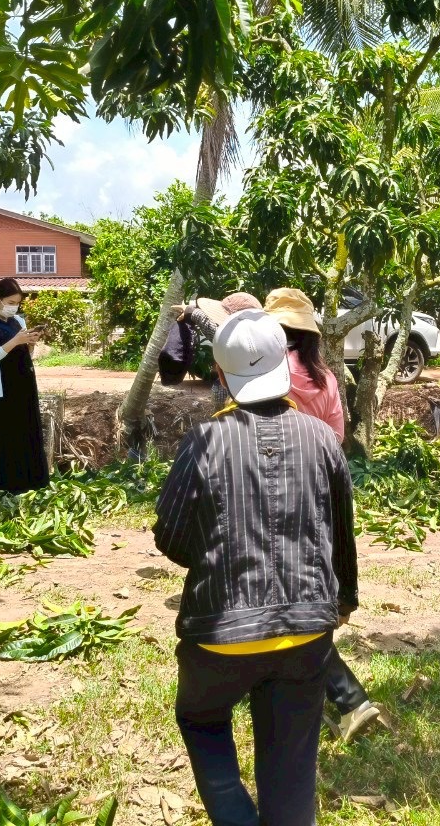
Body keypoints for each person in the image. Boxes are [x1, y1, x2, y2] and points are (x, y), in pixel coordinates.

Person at [154, 309, 358, 826]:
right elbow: (340, 536)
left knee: (201, 719)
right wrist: (342, 602)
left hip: (220, 636)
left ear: (222, 377)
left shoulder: (203, 441)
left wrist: (215, 560)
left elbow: (171, 536)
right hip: (305, 637)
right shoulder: (321, 439)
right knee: (290, 768)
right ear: (285, 366)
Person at [264, 286, 380, 741]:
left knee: (286, 601)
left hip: (281, 492)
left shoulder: (275, 372)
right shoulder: (327, 376)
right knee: (302, 594)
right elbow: (336, 437)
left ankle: (350, 699)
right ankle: (340, 697)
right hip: (325, 490)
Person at [0, 278, 50, 496]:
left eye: (17, 303)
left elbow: (24, 354)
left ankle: (31, 483)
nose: (14, 306)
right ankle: (2, 487)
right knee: (4, 439)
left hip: (23, 385)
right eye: (10, 301)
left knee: (27, 434)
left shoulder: (18, 321)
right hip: (1, 390)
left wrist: (30, 344)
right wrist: (14, 342)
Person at [173, 292, 262, 410]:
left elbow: (218, 334)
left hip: (236, 406)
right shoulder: (266, 340)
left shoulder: (238, 342)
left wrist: (192, 312)